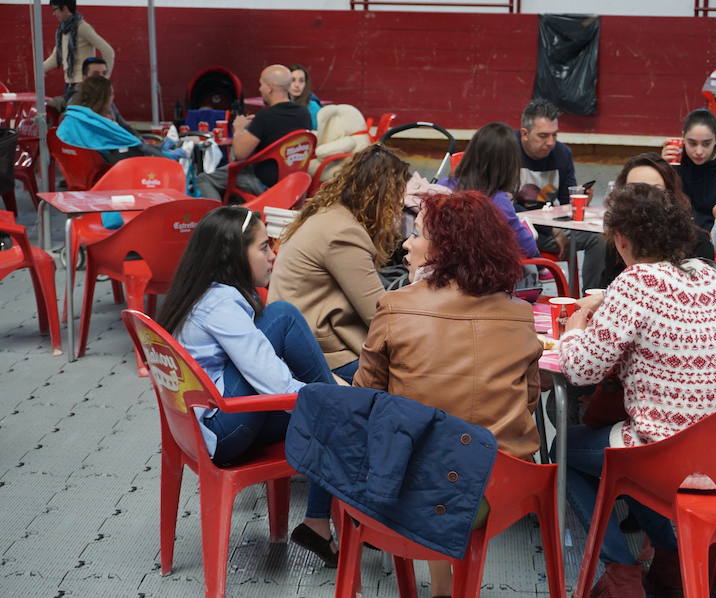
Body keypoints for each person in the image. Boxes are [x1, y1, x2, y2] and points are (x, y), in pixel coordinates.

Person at [555, 183, 716, 597]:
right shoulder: (709, 274)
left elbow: (580, 370)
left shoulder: (635, 282)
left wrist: (574, 328)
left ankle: (620, 572)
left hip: (669, 455)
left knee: (568, 448)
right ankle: (670, 559)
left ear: (621, 239)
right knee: (628, 450)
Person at [354, 190, 543, 598]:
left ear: (445, 248)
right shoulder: (520, 314)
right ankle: (444, 587)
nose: (407, 244)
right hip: (498, 486)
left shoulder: (395, 306)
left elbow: (366, 399)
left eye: (418, 234)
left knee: (419, 443)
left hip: (415, 486)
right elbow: (529, 401)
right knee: (446, 443)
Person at [156, 206, 340, 567]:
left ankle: (318, 523)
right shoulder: (221, 304)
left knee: (323, 407)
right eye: (264, 246)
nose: (273, 254)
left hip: (195, 427)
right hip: (223, 429)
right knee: (284, 318)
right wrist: (328, 395)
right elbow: (273, 383)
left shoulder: (198, 293)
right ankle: (327, 516)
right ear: (234, 254)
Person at [268, 145, 409, 383]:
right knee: (413, 377)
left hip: (302, 339)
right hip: (323, 353)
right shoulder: (344, 233)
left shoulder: (328, 215)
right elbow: (379, 316)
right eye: (398, 197)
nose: (400, 206)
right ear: (384, 196)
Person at [516, 99, 605, 289]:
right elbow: (502, 206)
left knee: (601, 239)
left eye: (554, 135)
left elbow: (566, 202)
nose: (550, 142)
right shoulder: (507, 150)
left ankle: (591, 298)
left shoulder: (562, 153)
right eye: (543, 136)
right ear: (524, 134)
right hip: (516, 230)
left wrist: (580, 201)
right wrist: (551, 230)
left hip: (551, 227)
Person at [594, 152, 714, 289]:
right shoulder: (620, 237)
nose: (644, 200)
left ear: (671, 196)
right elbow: (606, 286)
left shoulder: (696, 241)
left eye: (655, 191)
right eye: (634, 190)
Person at [196, 64, 312, 202]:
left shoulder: (265, 116)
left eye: (261, 84)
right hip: (294, 181)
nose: (259, 89)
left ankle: (218, 215)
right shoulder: (304, 113)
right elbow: (279, 126)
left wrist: (239, 128)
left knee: (204, 179)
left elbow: (239, 154)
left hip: (263, 184)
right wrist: (256, 124)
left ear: (269, 88)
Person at [438, 122, 538, 258]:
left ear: (470, 153)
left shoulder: (441, 187)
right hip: (482, 268)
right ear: (509, 165)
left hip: (443, 263)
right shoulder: (499, 202)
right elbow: (528, 248)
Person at [662, 108, 716, 231]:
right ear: (683, 137)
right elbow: (667, 204)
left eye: (706, 144)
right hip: (682, 231)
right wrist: (662, 168)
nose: (699, 151)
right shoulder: (677, 160)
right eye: (692, 143)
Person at [57, 75, 167, 163]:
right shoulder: (102, 127)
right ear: (103, 98)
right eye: (112, 94)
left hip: (83, 174)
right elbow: (138, 147)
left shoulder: (70, 120)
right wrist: (166, 155)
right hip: (114, 173)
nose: (113, 98)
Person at [43, 0, 115, 102]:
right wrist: (39, 70)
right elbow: (57, 57)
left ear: (65, 8)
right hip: (70, 85)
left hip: (84, 85)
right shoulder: (63, 30)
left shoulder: (82, 27)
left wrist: (104, 78)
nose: (53, 13)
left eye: (55, 9)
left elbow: (108, 51)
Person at [67, 57, 137, 136]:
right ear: (84, 77)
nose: (101, 78)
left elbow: (124, 126)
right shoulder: (75, 102)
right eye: (96, 74)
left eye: (104, 73)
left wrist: (139, 140)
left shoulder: (107, 99)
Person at [288, 64, 323, 130]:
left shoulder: (313, 106)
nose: (297, 85)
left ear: (305, 84)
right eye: (293, 80)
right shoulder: (279, 105)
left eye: (301, 81)